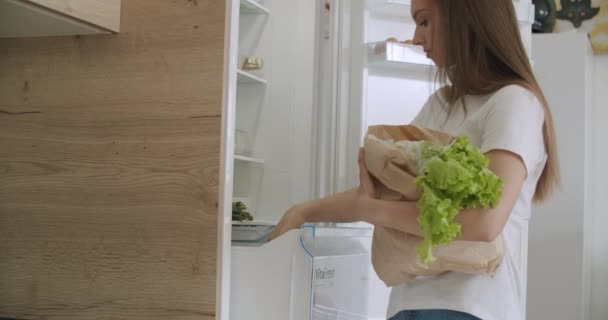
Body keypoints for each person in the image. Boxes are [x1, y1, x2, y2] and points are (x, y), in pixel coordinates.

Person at [268, 0, 560, 319]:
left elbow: (484, 223)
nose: (417, 38)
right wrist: (305, 211)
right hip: (409, 301)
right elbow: (381, 194)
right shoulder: (442, 104)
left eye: (424, 22)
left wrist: (372, 210)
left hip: (472, 305)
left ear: (465, 17)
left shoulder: (513, 103)